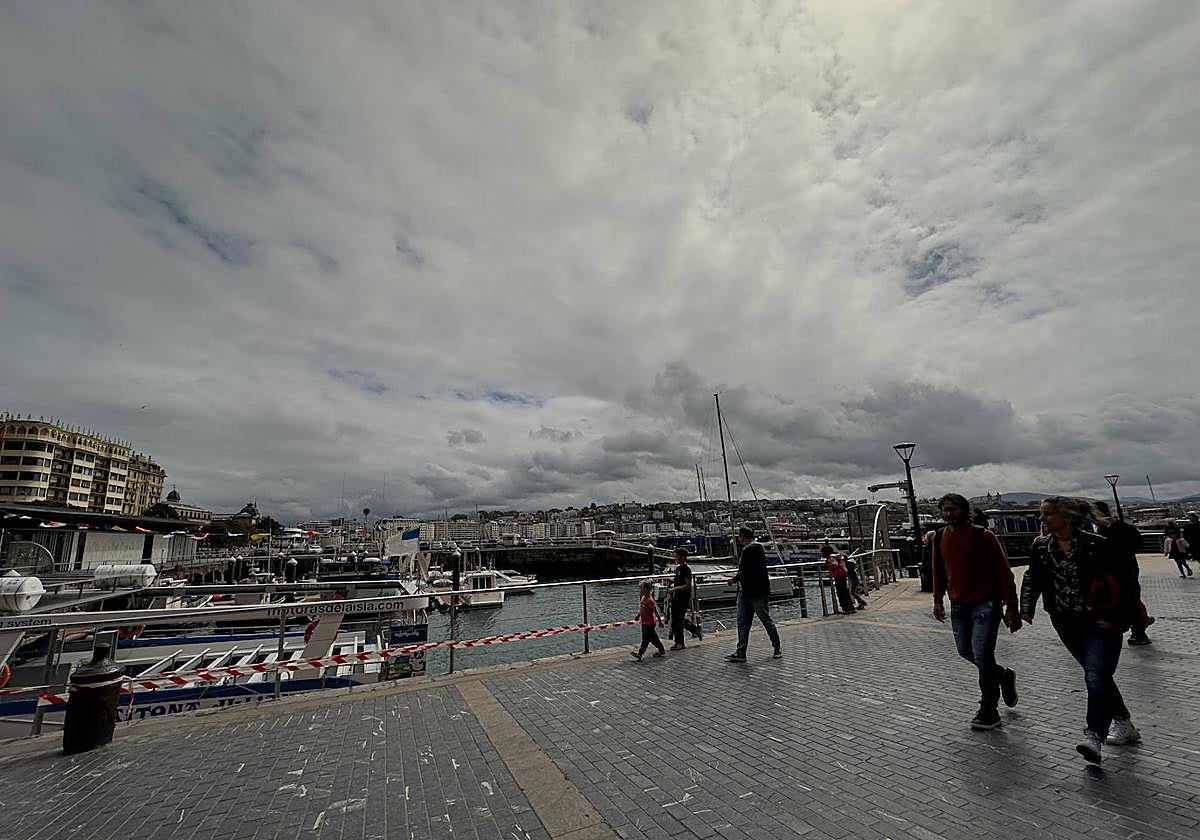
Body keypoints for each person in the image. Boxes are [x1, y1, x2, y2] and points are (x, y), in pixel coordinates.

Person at [1020, 496, 1141, 764]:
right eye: (1042, 514)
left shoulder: (1097, 545)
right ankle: (1123, 721)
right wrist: (1026, 607)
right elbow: (1033, 577)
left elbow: (1127, 583)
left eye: (1048, 514)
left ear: (1068, 517)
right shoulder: (1041, 547)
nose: (1042, 519)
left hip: (1100, 621)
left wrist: (1119, 619)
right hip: (1065, 622)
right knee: (1096, 674)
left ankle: (1093, 736)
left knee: (1096, 675)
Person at [931, 493, 1022, 731]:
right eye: (945, 510)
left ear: (964, 510)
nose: (949, 514)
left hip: (986, 603)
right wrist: (938, 599)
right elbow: (938, 570)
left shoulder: (983, 536)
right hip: (959, 604)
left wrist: (1012, 607)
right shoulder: (940, 537)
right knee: (965, 651)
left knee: (982, 655)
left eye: (953, 509)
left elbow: (1004, 573)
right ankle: (1002, 675)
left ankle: (988, 709)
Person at [1091, 501, 1153, 646]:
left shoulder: (1107, 529)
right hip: (1127, 567)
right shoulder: (1119, 526)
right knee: (1130, 598)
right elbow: (1138, 542)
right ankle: (1138, 629)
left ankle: (1137, 630)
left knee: (1126, 599)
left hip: (1118, 571)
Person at [725, 526, 782, 663]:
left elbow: (745, 570)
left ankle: (742, 652)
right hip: (755, 591)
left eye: (739, 536)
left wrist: (735, 579)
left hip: (750, 592)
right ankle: (776, 647)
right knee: (764, 620)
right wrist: (737, 579)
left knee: (745, 623)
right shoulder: (758, 548)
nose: (738, 539)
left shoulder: (749, 549)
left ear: (744, 536)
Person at [666, 548, 703, 650]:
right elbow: (677, 580)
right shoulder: (678, 569)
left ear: (682, 557)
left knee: (678, 620)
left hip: (683, 597)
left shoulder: (686, 569)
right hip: (676, 597)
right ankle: (695, 630)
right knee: (677, 619)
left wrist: (674, 589)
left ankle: (680, 642)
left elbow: (687, 585)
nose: (675, 558)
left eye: (677, 556)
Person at [631, 579, 665, 661]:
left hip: (650, 623)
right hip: (644, 621)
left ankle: (640, 654)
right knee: (653, 638)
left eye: (641, 588)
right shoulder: (643, 598)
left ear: (646, 589)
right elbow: (642, 608)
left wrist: (660, 621)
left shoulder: (650, 600)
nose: (640, 590)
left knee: (645, 639)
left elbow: (655, 611)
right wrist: (638, 616)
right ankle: (661, 649)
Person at [821, 545, 856, 613]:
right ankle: (850, 608)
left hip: (838, 575)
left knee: (841, 593)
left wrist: (828, 562)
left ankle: (846, 609)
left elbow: (835, 565)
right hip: (843, 574)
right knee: (845, 591)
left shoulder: (831, 558)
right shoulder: (837, 555)